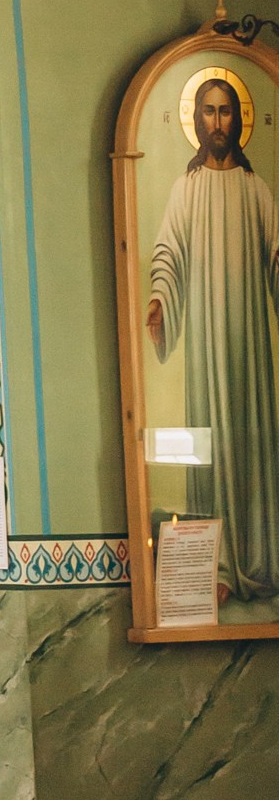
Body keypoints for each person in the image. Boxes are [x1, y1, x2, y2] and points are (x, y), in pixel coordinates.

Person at [148, 69, 279, 605]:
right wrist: (159, 300)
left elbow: (276, 248)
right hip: (204, 346)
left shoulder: (256, 188)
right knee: (212, 442)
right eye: (209, 111)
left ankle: (260, 560)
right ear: (197, 120)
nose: (218, 121)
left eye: (227, 111)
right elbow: (167, 255)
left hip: (249, 345)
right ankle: (219, 567)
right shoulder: (186, 189)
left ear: (238, 120)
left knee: (253, 441)